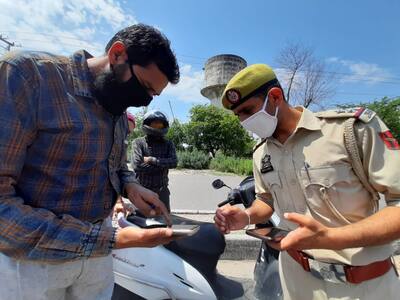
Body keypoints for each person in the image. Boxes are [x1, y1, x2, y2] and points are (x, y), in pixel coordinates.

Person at [0, 23, 180, 300]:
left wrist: (131, 187)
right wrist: (113, 240)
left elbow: (116, 165)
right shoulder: (28, 76)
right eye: (143, 87)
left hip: (98, 255)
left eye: (151, 96)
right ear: (118, 54)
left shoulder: (116, 103)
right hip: (34, 262)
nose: (140, 101)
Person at [214, 64, 400, 299]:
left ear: (275, 97)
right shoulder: (261, 153)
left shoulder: (349, 130)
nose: (244, 120)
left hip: (361, 285)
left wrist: (331, 239)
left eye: (248, 110)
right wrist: (247, 216)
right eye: (238, 114)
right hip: (295, 278)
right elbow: (266, 199)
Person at [131, 110, 177, 212]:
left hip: (162, 191)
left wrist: (152, 160)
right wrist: (163, 165)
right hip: (142, 190)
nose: (157, 125)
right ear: (148, 123)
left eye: (160, 123)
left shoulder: (168, 144)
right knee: (139, 222)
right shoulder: (138, 143)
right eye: (154, 123)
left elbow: (174, 162)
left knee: (164, 222)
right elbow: (137, 166)